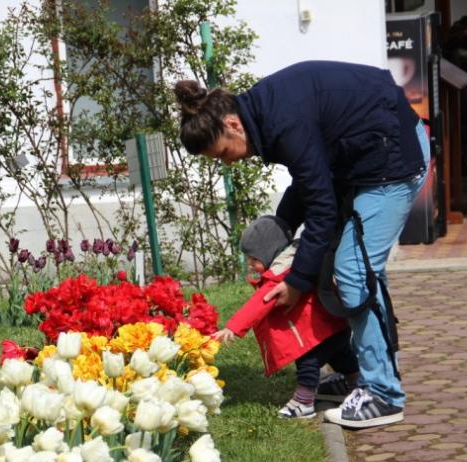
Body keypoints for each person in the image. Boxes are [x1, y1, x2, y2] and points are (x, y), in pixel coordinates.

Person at [174, 60, 430, 428]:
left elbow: (322, 206)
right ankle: (365, 375)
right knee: (359, 272)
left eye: (222, 153)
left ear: (232, 125)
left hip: (394, 155)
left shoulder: (281, 121)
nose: (227, 163)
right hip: (370, 155)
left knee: (354, 272)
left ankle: (383, 395)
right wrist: (276, 240)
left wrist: (296, 282)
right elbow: (308, 182)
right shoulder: (267, 115)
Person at [211, 215, 360, 419]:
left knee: (307, 363)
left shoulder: (278, 275)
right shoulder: (299, 260)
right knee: (343, 357)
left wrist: (233, 327)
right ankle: (356, 384)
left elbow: (259, 303)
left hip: (314, 335)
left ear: (269, 252)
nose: (250, 264)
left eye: (254, 259)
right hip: (335, 326)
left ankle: (304, 401)